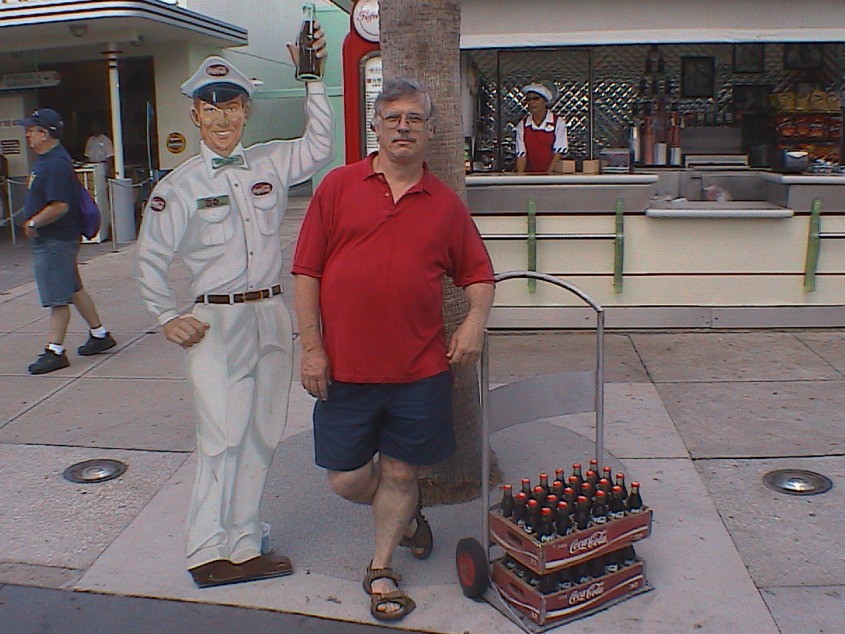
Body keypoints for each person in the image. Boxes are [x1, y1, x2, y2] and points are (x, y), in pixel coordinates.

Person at [292, 77, 495, 622]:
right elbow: (306, 272)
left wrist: (474, 322)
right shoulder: (337, 187)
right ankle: (405, 518)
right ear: (377, 127)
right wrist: (312, 348)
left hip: (418, 370)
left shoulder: (445, 205)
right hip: (346, 370)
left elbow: (479, 275)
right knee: (347, 478)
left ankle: (380, 567)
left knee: (402, 474)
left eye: (414, 119)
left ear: (429, 132)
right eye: (393, 118)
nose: (403, 127)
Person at [135, 33, 334, 588]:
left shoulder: (269, 162)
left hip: (269, 314)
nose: (222, 117)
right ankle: (205, 549)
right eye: (211, 106)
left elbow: (319, 144)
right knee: (220, 439)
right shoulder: (180, 187)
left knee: (261, 434)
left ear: (245, 110)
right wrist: (164, 315)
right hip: (215, 322)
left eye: (232, 105)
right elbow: (150, 256)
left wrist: (313, 80)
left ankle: (243, 543)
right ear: (195, 114)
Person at [19, 108, 117, 375]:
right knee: (72, 287)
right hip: (59, 239)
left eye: (32, 129)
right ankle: (99, 334)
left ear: (46, 133)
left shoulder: (54, 164)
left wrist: (33, 222)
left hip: (55, 240)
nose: (28, 134)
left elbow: (60, 205)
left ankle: (55, 350)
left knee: (57, 297)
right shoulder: (49, 160)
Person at [514, 82, 568, 174]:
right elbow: (521, 156)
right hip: (530, 177)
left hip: (553, 176)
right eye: (529, 99)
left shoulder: (558, 123)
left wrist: (548, 176)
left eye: (536, 99)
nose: (532, 102)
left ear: (545, 101)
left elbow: (558, 154)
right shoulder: (522, 125)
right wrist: (520, 178)